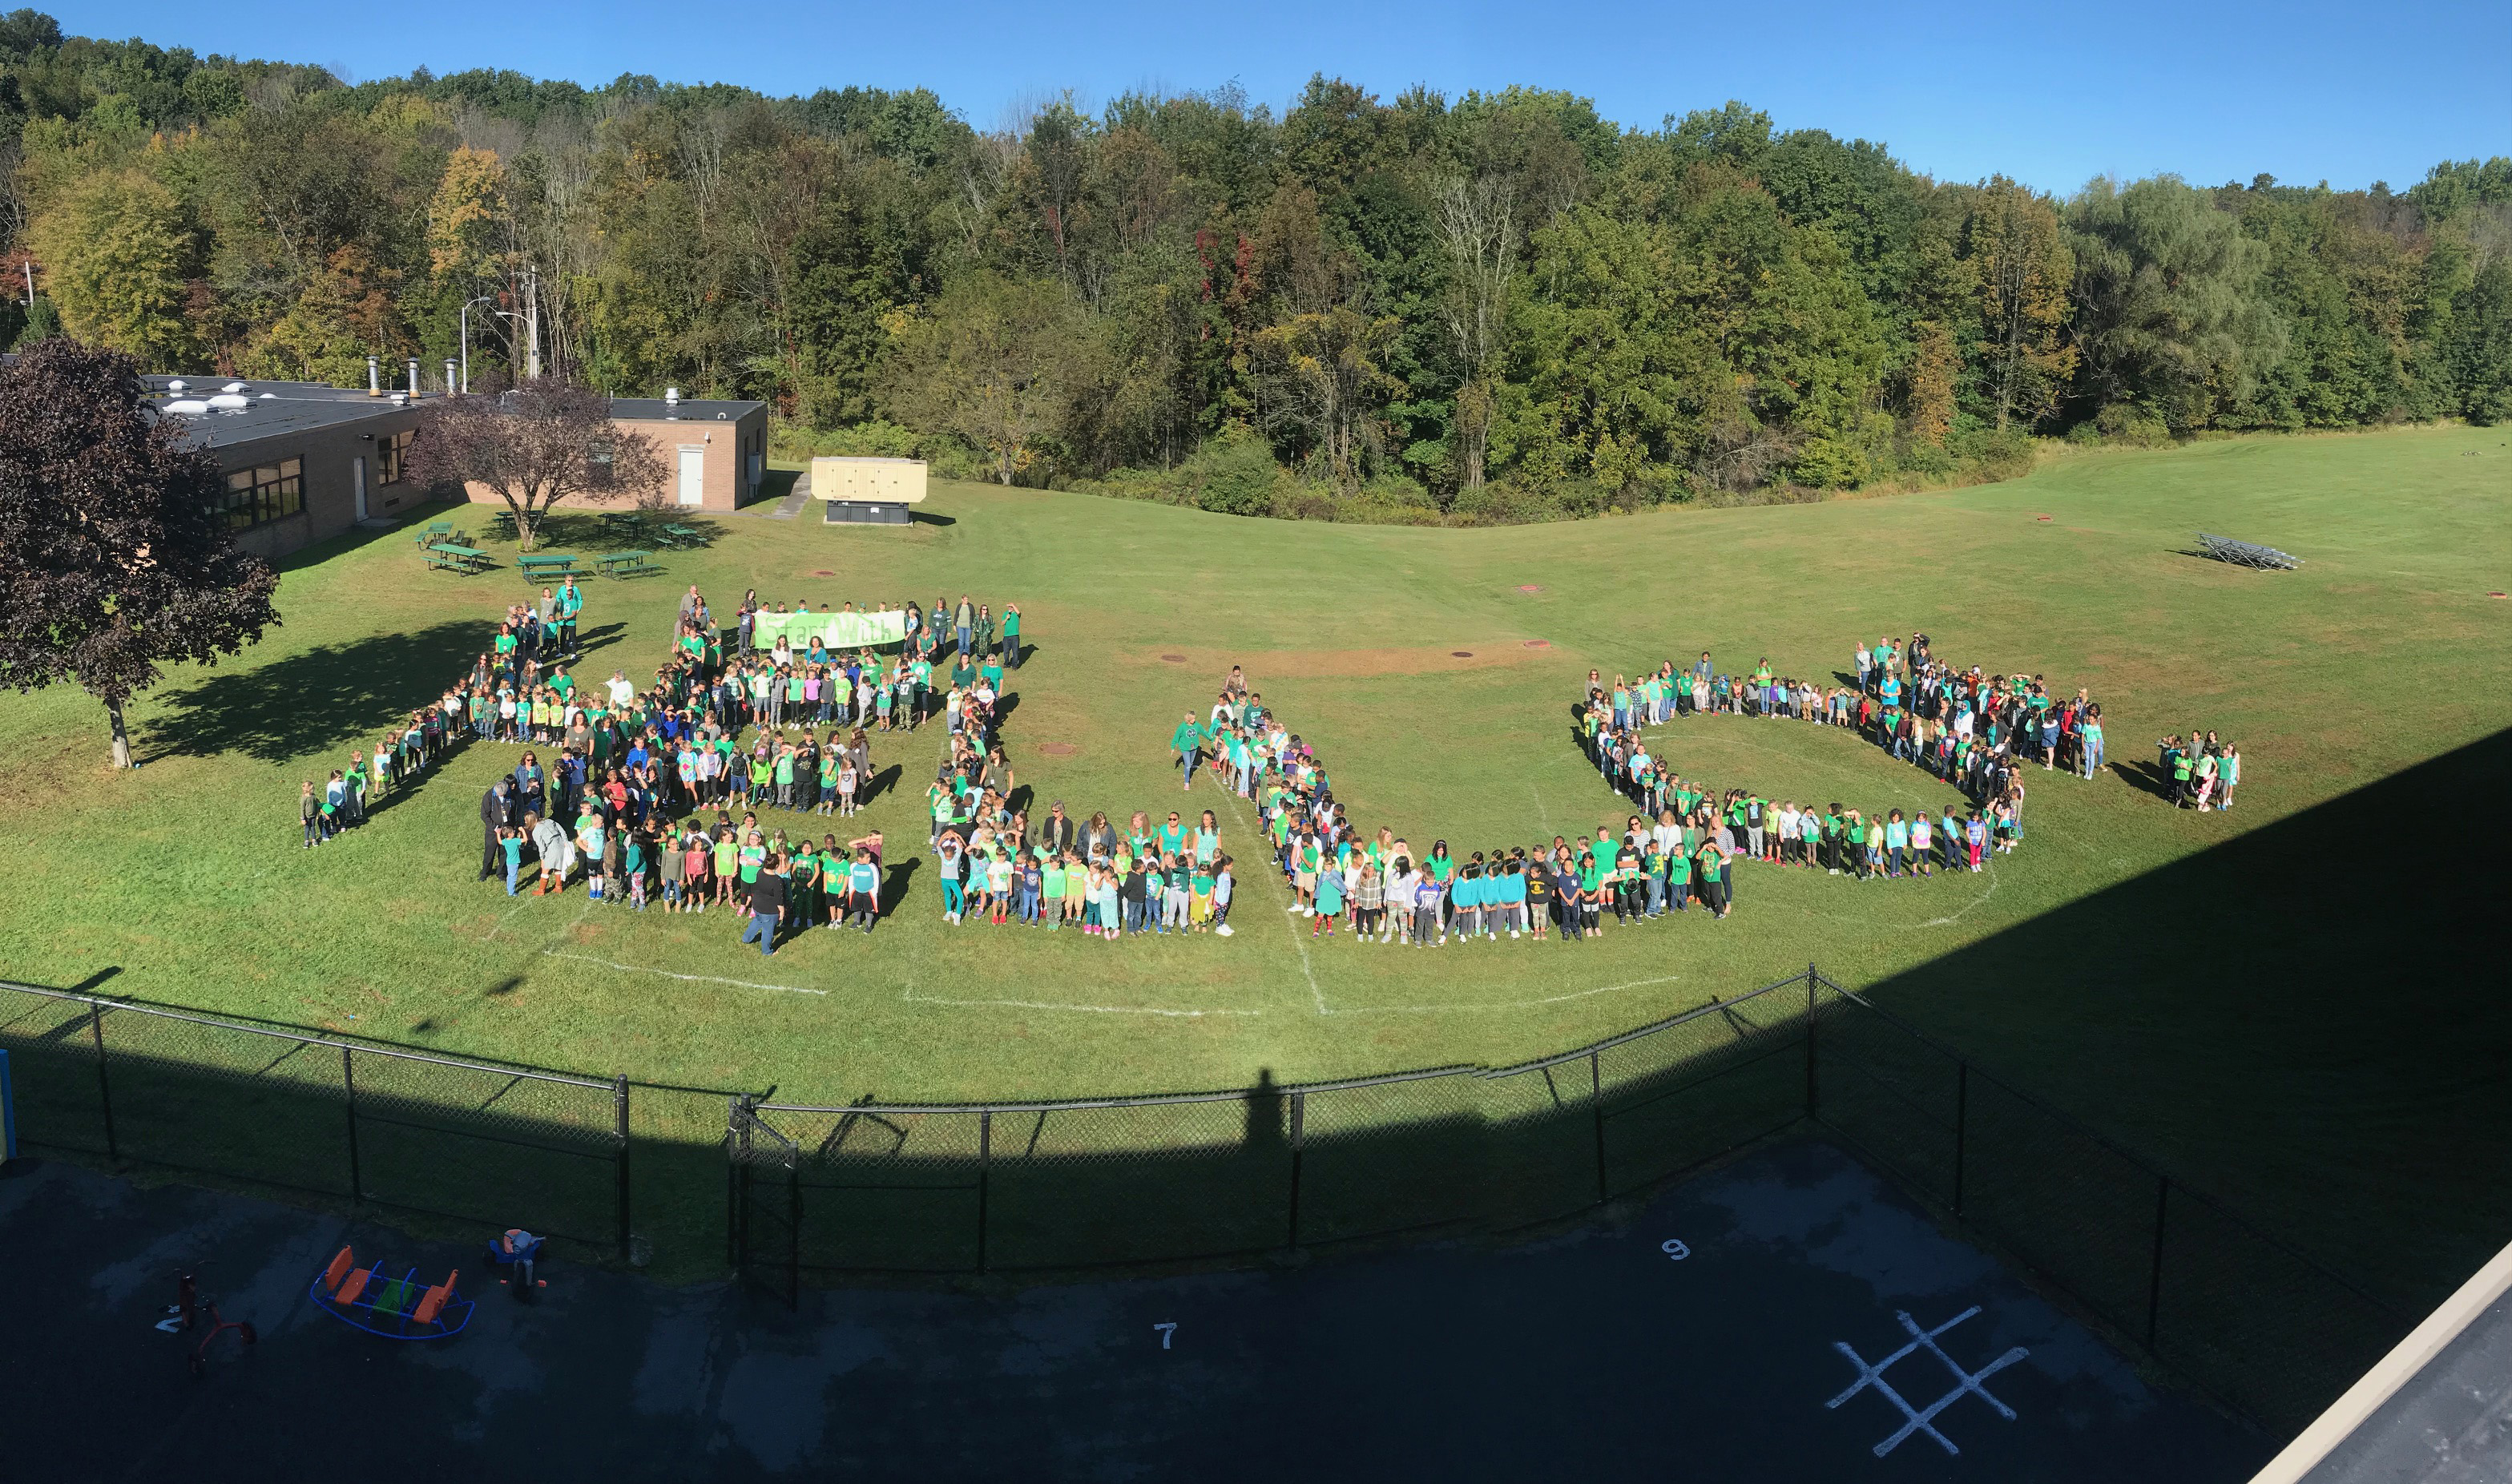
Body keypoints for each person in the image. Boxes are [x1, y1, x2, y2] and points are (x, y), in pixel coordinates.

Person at [742, 853, 786, 956]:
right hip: (769, 910)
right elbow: (779, 899)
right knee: (768, 930)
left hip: (757, 905)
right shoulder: (777, 880)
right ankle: (767, 951)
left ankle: (746, 938)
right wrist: (782, 912)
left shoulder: (760, 872)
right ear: (776, 866)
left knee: (757, 920)